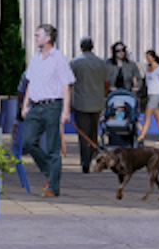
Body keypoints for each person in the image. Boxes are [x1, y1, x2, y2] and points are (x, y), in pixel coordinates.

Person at [17, 23, 74, 198]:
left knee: (52, 148)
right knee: (28, 141)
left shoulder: (59, 58)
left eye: (38, 35)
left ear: (48, 38)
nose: (35, 38)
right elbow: (30, 83)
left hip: (53, 106)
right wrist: (25, 105)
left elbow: (67, 84)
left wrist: (65, 111)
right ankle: (50, 172)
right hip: (35, 106)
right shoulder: (35, 58)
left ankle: (53, 188)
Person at [69, 36, 111, 173]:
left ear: (81, 47)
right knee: (93, 132)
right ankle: (93, 156)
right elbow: (107, 83)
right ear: (92, 47)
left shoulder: (75, 62)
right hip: (97, 102)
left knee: (83, 134)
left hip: (81, 103)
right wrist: (102, 95)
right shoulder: (101, 63)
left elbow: (68, 83)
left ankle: (85, 162)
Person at [139, 49, 159, 144]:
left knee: (147, 114)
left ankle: (142, 135)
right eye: (146, 57)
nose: (147, 59)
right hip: (150, 93)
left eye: (149, 57)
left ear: (153, 57)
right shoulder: (148, 68)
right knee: (157, 117)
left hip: (156, 93)